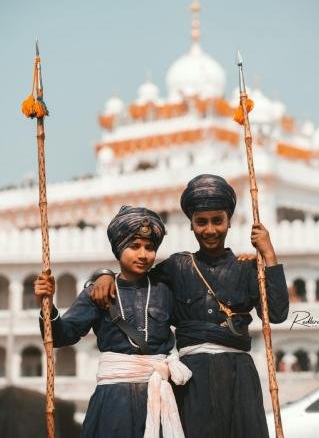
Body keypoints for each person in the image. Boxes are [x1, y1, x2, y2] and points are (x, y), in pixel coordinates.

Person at [90, 174, 289, 438]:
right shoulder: (176, 267)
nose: (210, 230)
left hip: (238, 376)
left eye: (217, 220)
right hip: (191, 379)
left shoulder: (247, 268)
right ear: (191, 225)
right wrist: (103, 274)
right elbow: (134, 276)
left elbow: (277, 314)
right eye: (201, 222)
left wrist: (269, 255)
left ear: (229, 222)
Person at [35, 206, 192, 438]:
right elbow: (61, 335)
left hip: (160, 397)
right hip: (114, 400)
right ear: (119, 248)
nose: (143, 254)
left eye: (149, 248)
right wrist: (46, 304)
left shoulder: (165, 290)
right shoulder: (96, 293)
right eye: (134, 246)